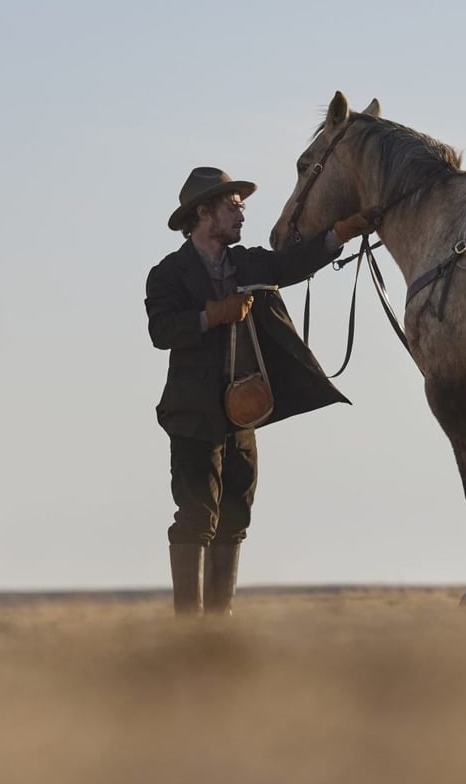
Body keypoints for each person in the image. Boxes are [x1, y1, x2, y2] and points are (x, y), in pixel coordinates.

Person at [144, 167, 372, 617]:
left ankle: (220, 625)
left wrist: (339, 234)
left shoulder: (248, 262)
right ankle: (187, 630)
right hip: (192, 416)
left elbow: (292, 264)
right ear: (203, 213)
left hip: (242, 414)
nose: (241, 215)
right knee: (195, 516)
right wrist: (212, 315)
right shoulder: (168, 273)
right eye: (232, 206)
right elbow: (161, 330)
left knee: (235, 517)